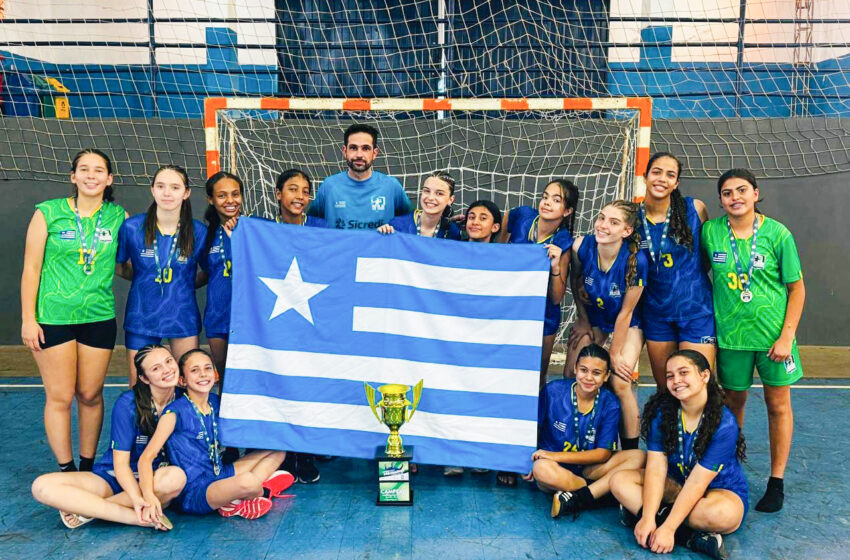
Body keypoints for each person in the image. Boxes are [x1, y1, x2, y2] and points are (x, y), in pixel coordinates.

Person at [701, 168, 804, 513]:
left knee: (777, 405)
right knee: (732, 405)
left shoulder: (777, 234)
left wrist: (787, 336)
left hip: (774, 340)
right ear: (720, 200)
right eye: (728, 193)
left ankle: (776, 481)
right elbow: (699, 274)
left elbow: (796, 288)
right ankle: (730, 468)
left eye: (742, 190)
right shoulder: (711, 232)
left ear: (756, 194)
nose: (735, 197)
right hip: (731, 338)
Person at [21, 149, 126, 472]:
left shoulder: (117, 216)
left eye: (98, 170)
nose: (91, 175)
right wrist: (28, 319)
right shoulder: (48, 213)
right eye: (84, 169)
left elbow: (125, 264)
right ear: (73, 176)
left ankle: (86, 466)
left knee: (91, 395)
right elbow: (32, 268)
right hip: (53, 318)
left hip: (98, 317)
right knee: (60, 396)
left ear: (108, 179)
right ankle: (66, 469)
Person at [610, 350, 748, 560]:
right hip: (676, 485)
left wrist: (668, 529)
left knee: (723, 515)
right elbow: (656, 470)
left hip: (717, 491)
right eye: (670, 376)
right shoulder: (663, 413)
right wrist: (647, 517)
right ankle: (690, 537)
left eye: (684, 373)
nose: (676, 381)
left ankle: (654, 518)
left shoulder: (724, 423)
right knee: (619, 481)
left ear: (704, 376)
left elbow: (697, 484)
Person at [31, 344, 187, 530]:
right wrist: (137, 499)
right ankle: (136, 518)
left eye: (169, 361)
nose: (167, 369)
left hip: (155, 481)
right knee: (41, 487)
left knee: (174, 479)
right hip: (116, 478)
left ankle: (89, 511)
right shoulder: (128, 403)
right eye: (156, 368)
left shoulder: (186, 400)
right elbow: (120, 464)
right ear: (144, 378)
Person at [138, 349, 293, 520]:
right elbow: (146, 457)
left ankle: (234, 500)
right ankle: (263, 491)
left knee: (279, 450)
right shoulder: (174, 413)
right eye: (194, 370)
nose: (203, 374)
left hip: (219, 473)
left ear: (215, 374)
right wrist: (149, 496)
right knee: (247, 481)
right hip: (195, 490)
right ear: (182, 380)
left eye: (208, 368)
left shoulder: (215, 402)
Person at [116, 165, 206, 385]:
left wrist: (183, 284)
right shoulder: (131, 227)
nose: (167, 193)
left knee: (185, 385)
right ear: (152, 190)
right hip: (142, 315)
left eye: (175, 187)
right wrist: (143, 279)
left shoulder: (198, 231)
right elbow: (118, 266)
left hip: (182, 316)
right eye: (161, 186)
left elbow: (211, 272)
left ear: (186, 193)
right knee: (141, 386)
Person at [567, 201, 647, 450]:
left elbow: (626, 312)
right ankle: (576, 440)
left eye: (613, 222)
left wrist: (614, 353)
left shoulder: (636, 261)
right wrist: (582, 319)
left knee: (620, 382)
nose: (603, 225)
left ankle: (630, 452)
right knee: (573, 374)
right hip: (595, 317)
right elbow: (576, 279)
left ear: (627, 231)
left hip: (629, 322)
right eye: (601, 218)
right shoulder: (582, 245)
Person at [534, 344, 645, 519]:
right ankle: (604, 494)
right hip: (556, 469)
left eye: (596, 373)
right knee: (541, 470)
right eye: (584, 370)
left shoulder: (610, 403)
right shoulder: (553, 391)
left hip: (589, 467)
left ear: (607, 376)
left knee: (638, 456)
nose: (588, 377)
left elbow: (602, 455)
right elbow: (534, 428)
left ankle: (581, 496)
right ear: (575, 368)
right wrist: (525, 459)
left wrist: (554, 455)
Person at [638, 153, 716, 389]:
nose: (662, 179)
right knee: (668, 389)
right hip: (657, 315)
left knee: (699, 388)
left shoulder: (695, 209)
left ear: (676, 183)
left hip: (696, 312)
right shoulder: (632, 217)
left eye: (670, 175)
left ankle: (703, 428)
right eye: (657, 172)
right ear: (645, 176)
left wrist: (687, 283)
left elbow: (706, 257)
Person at [501, 179, 578, 385]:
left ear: (567, 211)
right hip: (509, 308)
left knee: (536, 378)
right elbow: (507, 217)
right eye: (545, 196)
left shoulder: (563, 242)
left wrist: (555, 268)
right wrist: (498, 250)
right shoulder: (524, 216)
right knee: (501, 367)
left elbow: (557, 297)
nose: (546, 202)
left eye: (556, 200)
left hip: (543, 315)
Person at [308, 123, 412, 230]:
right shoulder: (329, 186)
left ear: (375, 153)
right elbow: (312, 227)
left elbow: (409, 223)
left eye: (365, 148)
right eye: (353, 148)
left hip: (378, 247)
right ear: (345, 151)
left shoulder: (391, 186)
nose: (359, 155)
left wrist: (394, 228)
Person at [200, 171, 243, 376]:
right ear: (211, 199)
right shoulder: (205, 234)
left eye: (235, 194)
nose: (230, 201)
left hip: (249, 317)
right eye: (222, 195)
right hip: (218, 316)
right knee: (225, 380)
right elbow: (206, 273)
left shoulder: (255, 228)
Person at [376, 171, 462, 240]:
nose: (431, 197)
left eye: (439, 193)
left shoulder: (452, 232)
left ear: (450, 199)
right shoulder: (397, 225)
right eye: (426, 191)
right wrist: (381, 235)